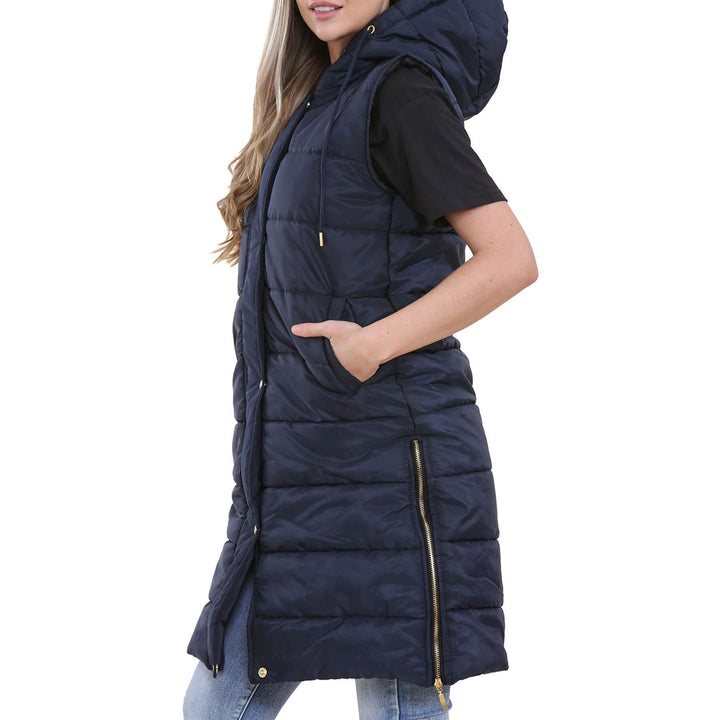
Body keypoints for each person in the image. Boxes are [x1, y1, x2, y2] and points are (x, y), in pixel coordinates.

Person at [184, 1, 537, 719]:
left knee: (395, 707)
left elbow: (510, 259)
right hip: (300, 475)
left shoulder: (399, 91)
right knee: (215, 705)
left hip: (394, 467)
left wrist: (372, 345)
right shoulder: (318, 97)